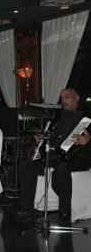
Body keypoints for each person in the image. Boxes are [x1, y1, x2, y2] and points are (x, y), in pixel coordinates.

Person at [17, 88, 91, 223]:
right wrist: (43, 139)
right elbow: (50, 136)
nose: (64, 100)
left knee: (62, 168)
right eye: (62, 97)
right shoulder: (57, 117)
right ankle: (28, 209)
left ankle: (65, 212)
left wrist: (88, 141)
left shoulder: (87, 118)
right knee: (26, 166)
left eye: (68, 96)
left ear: (77, 98)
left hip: (79, 157)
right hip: (54, 156)